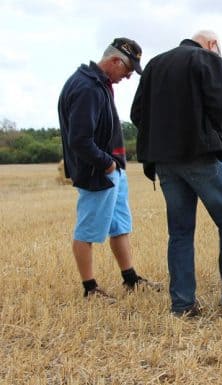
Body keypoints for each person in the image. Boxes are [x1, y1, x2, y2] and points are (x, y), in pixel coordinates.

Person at [130, 30, 222, 316]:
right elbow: (218, 106)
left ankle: (182, 304)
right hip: (200, 155)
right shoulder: (206, 59)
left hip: (164, 161)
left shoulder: (154, 65)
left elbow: (137, 113)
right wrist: (218, 141)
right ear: (212, 44)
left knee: (180, 233)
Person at [58, 37, 161, 302]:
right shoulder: (87, 88)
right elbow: (79, 140)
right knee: (87, 231)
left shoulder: (95, 83)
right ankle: (90, 289)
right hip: (97, 173)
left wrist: (115, 166)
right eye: (127, 70)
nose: (127, 77)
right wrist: (106, 164)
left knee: (119, 227)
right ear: (115, 60)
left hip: (111, 171)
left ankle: (130, 279)